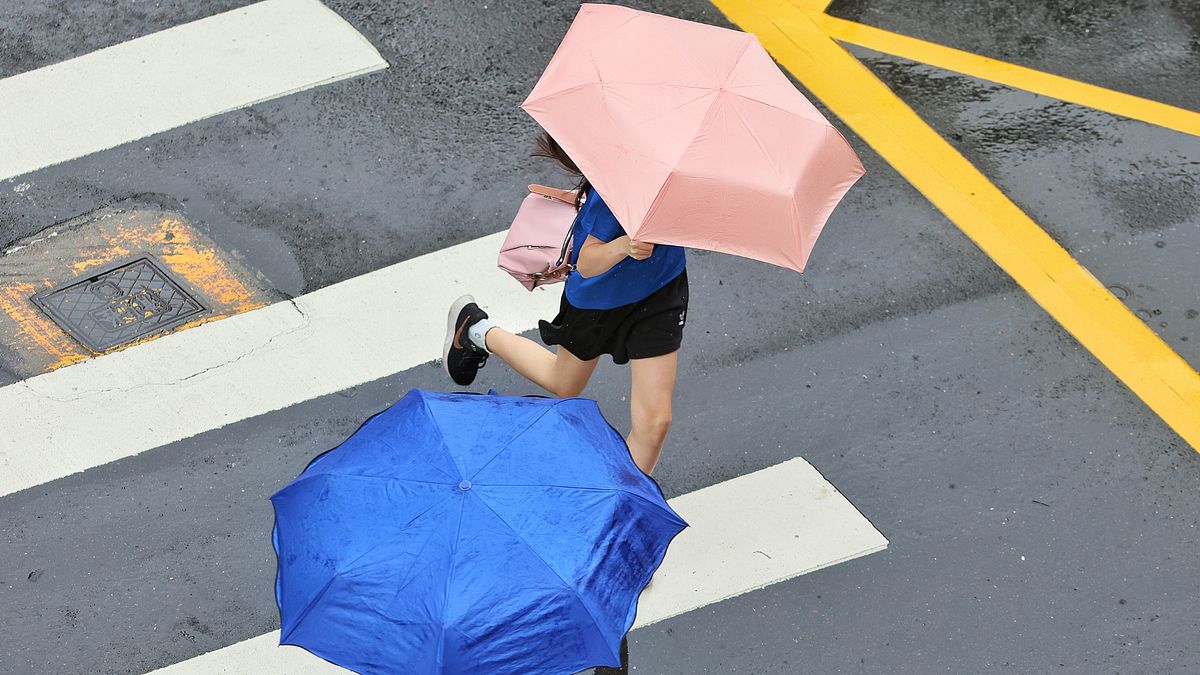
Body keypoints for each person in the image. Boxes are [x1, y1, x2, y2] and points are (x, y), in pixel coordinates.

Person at [441, 131, 688, 476]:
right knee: (565, 383)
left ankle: (622, 513)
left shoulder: (682, 167)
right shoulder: (616, 184)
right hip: (599, 299)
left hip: (662, 291)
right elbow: (587, 263)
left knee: (655, 422)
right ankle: (477, 330)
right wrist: (624, 248)